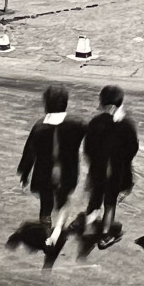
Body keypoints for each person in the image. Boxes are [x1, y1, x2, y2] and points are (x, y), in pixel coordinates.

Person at [17, 84, 87, 249]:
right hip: (68, 172)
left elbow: (29, 153)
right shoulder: (78, 123)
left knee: (46, 204)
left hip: (44, 173)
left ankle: (47, 234)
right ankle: (55, 235)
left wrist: (24, 174)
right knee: (63, 202)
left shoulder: (39, 126)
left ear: (46, 103)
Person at [81, 85, 139, 248]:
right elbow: (133, 148)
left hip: (97, 168)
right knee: (110, 203)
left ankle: (88, 225)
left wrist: (93, 161)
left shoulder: (95, 122)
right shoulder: (126, 124)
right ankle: (105, 235)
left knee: (95, 196)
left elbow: (88, 147)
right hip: (117, 170)